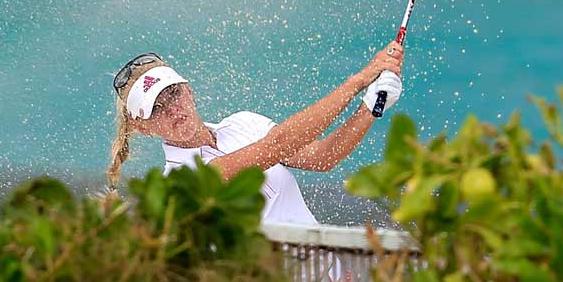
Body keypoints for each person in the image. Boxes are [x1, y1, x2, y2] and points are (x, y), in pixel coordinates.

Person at [105, 44, 404, 226]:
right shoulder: (184, 179)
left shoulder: (242, 123)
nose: (172, 109)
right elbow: (279, 144)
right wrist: (359, 81)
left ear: (189, 89)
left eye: (173, 93)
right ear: (142, 127)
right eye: (156, 109)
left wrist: (370, 106)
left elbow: (322, 158)